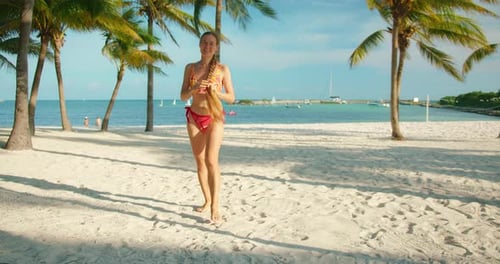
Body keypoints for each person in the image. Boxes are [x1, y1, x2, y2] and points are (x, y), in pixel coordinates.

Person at [180, 31, 235, 223]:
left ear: (216, 47)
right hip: (194, 118)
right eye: (204, 43)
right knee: (200, 162)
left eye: (211, 43)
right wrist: (195, 88)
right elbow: (183, 96)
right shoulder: (190, 68)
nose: (207, 46)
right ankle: (206, 200)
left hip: (214, 118)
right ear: (199, 45)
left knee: (212, 160)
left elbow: (231, 97)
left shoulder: (222, 69)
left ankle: (215, 206)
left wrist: (216, 92)